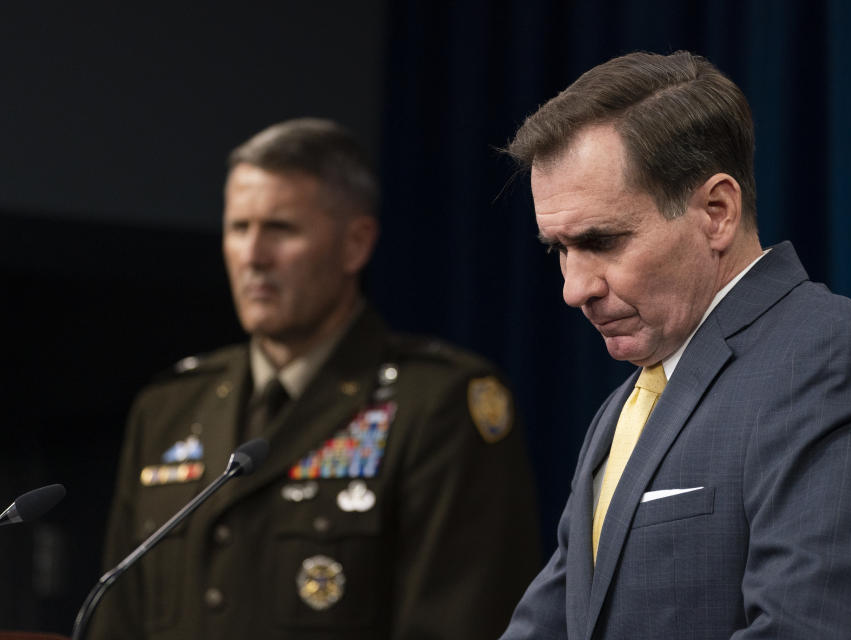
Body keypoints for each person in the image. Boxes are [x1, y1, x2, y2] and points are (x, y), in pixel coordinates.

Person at [499, 51, 851, 639]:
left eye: (603, 241)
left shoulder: (823, 357)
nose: (575, 289)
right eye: (559, 249)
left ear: (717, 212)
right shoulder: (629, 402)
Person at [90, 118, 541, 640]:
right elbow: (115, 617)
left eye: (281, 229)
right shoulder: (169, 406)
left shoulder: (437, 403)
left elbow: (461, 622)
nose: (253, 257)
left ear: (355, 243)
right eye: (239, 228)